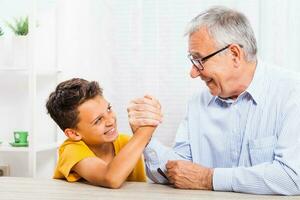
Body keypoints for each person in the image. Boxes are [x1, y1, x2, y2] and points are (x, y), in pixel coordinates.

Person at [127, 6, 300, 195]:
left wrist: (208, 178)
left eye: (199, 60)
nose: (193, 73)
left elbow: (292, 177)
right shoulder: (198, 103)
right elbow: (178, 170)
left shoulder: (291, 93)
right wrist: (145, 136)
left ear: (234, 54)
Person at [46, 78, 162, 188]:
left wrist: (144, 132)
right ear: (74, 134)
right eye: (98, 120)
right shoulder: (70, 150)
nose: (111, 121)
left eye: (108, 109)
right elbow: (110, 178)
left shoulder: (126, 142)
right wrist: (146, 130)